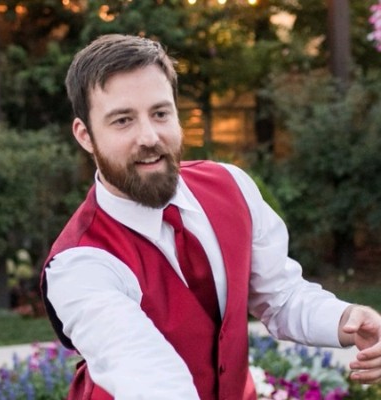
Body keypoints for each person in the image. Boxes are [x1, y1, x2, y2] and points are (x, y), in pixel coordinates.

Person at [41, 34, 381, 400]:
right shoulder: (77, 264)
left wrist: (345, 318)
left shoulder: (232, 186)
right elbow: (144, 372)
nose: (149, 137)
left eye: (160, 113)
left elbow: (280, 295)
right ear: (85, 135)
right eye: (123, 120)